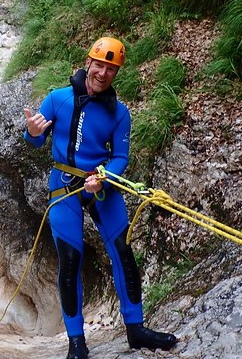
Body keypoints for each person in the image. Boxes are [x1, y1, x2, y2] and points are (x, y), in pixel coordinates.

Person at [23, 37, 177, 359]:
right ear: (88, 63)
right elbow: (34, 140)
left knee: (122, 252)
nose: (104, 73)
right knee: (70, 261)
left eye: (111, 69)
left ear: (116, 73)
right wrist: (34, 132)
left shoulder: (119, 113)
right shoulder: (57, 99)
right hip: (64, 186)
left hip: (101, 185)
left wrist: (104, 177)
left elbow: (121, 156)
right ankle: (76, 343)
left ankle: (135, 329)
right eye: (100, 65)